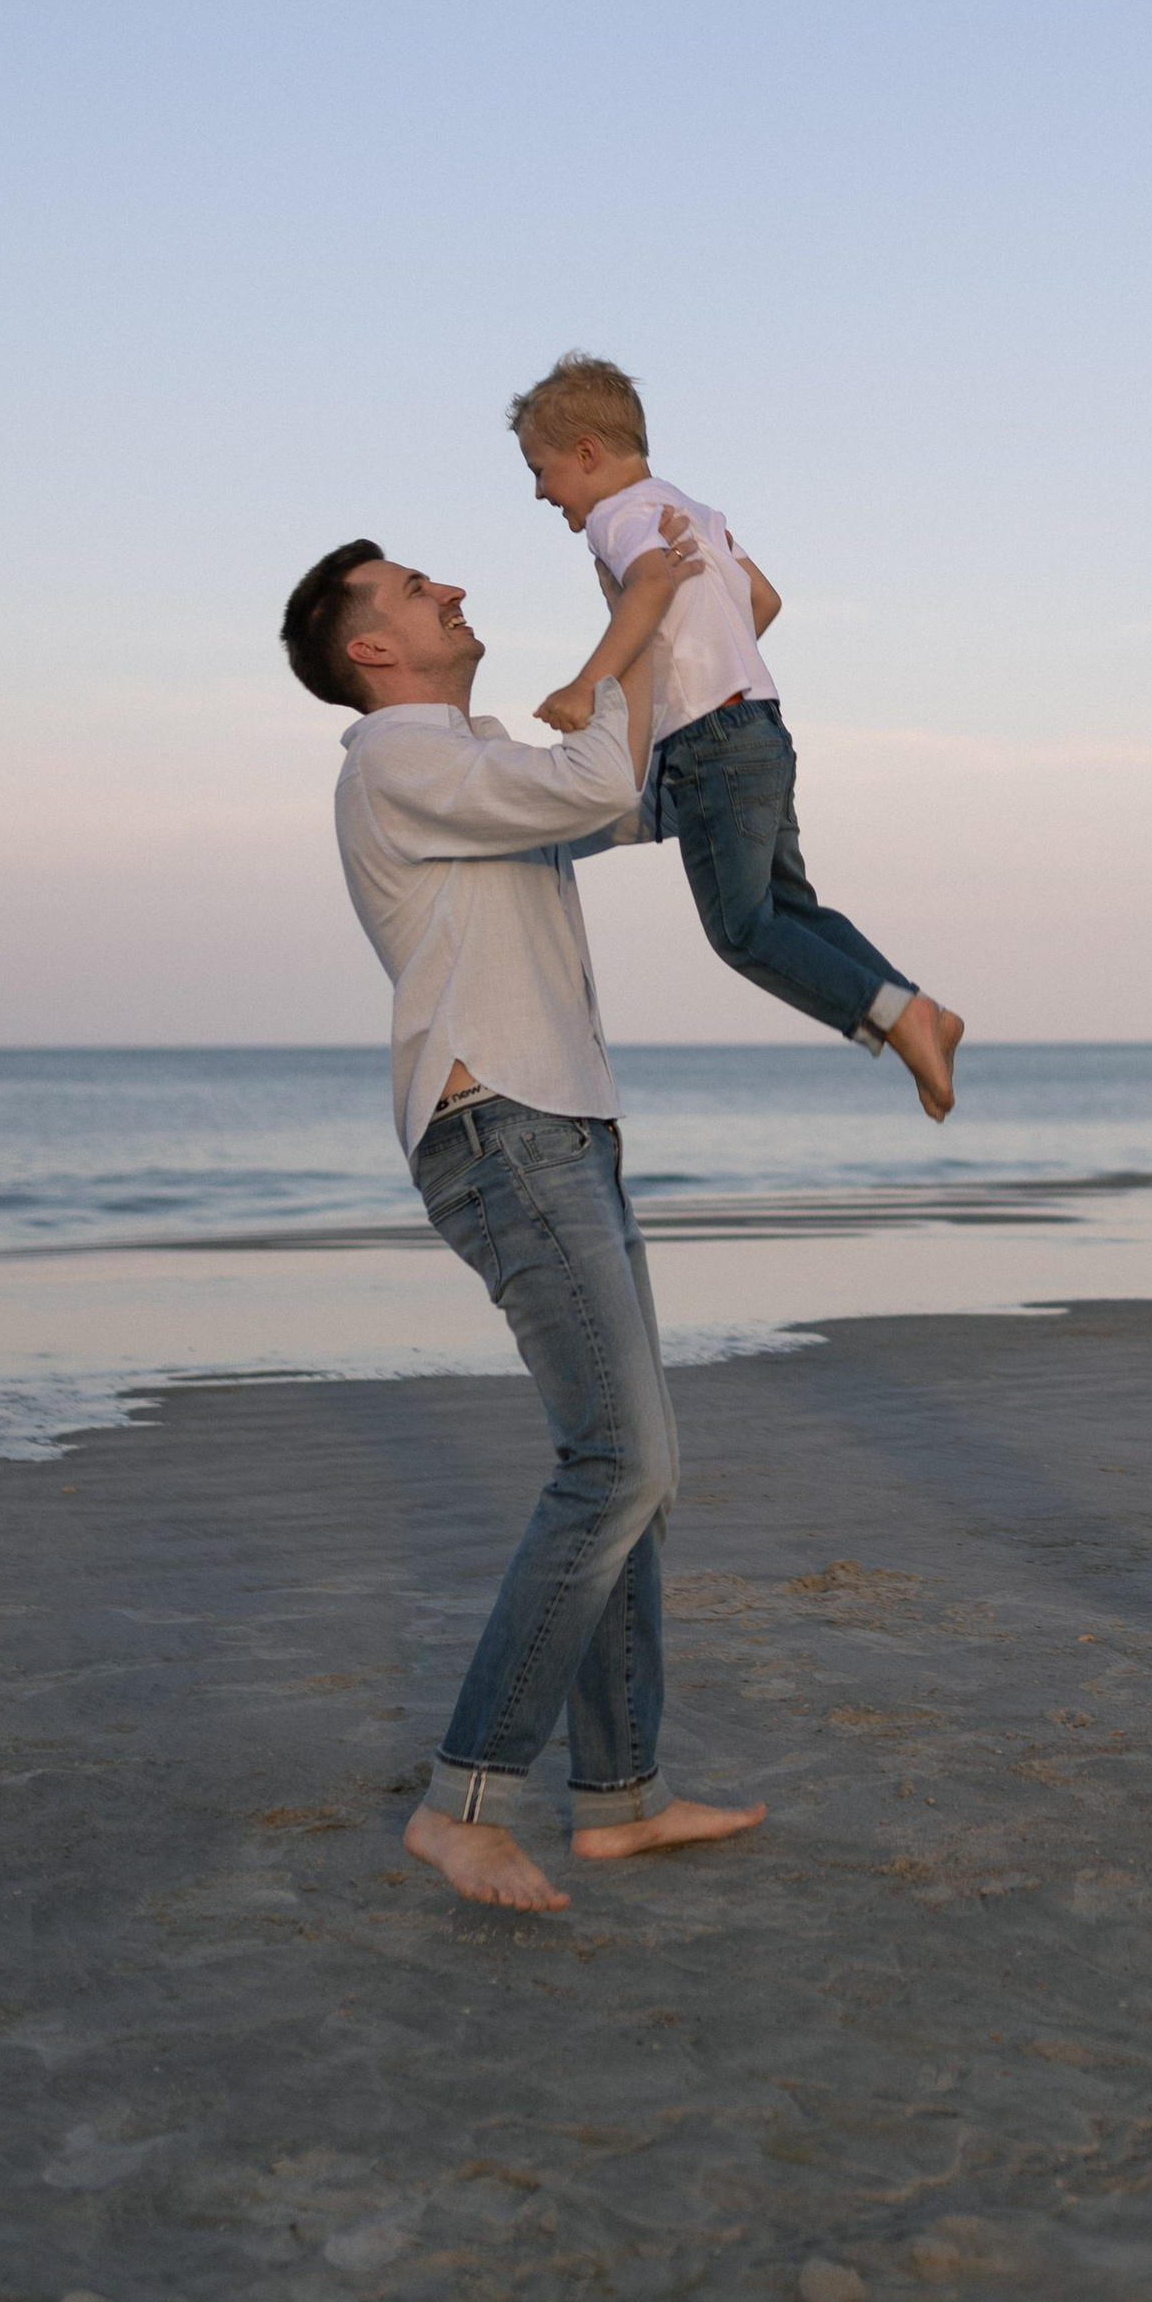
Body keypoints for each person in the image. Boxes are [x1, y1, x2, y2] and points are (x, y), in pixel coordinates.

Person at [279, 525, 766, 1915]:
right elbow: (599, 769)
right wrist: (636, 611)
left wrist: (713, 639)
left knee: (634, 1468)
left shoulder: (474, 754)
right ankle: (467, 1799)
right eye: (420, 592)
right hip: (504, 1131)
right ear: (373, 650)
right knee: (618, 1462)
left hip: (560, 1126)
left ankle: (619, 1798)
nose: (454, 591)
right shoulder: (398, 758)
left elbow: (635, 796)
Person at [508, 352, 965, 1122]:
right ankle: (912, 1007)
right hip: (759, 724)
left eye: (541, 469)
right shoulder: (696, 510)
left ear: (587, 453)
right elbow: (764, 598)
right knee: (790, 905)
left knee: (743, 929)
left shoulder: (619, 517)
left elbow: (652, 584)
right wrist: (707, 659)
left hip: (711, 742)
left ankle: (901, 1017)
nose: (539, 491)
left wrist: (589, 684)